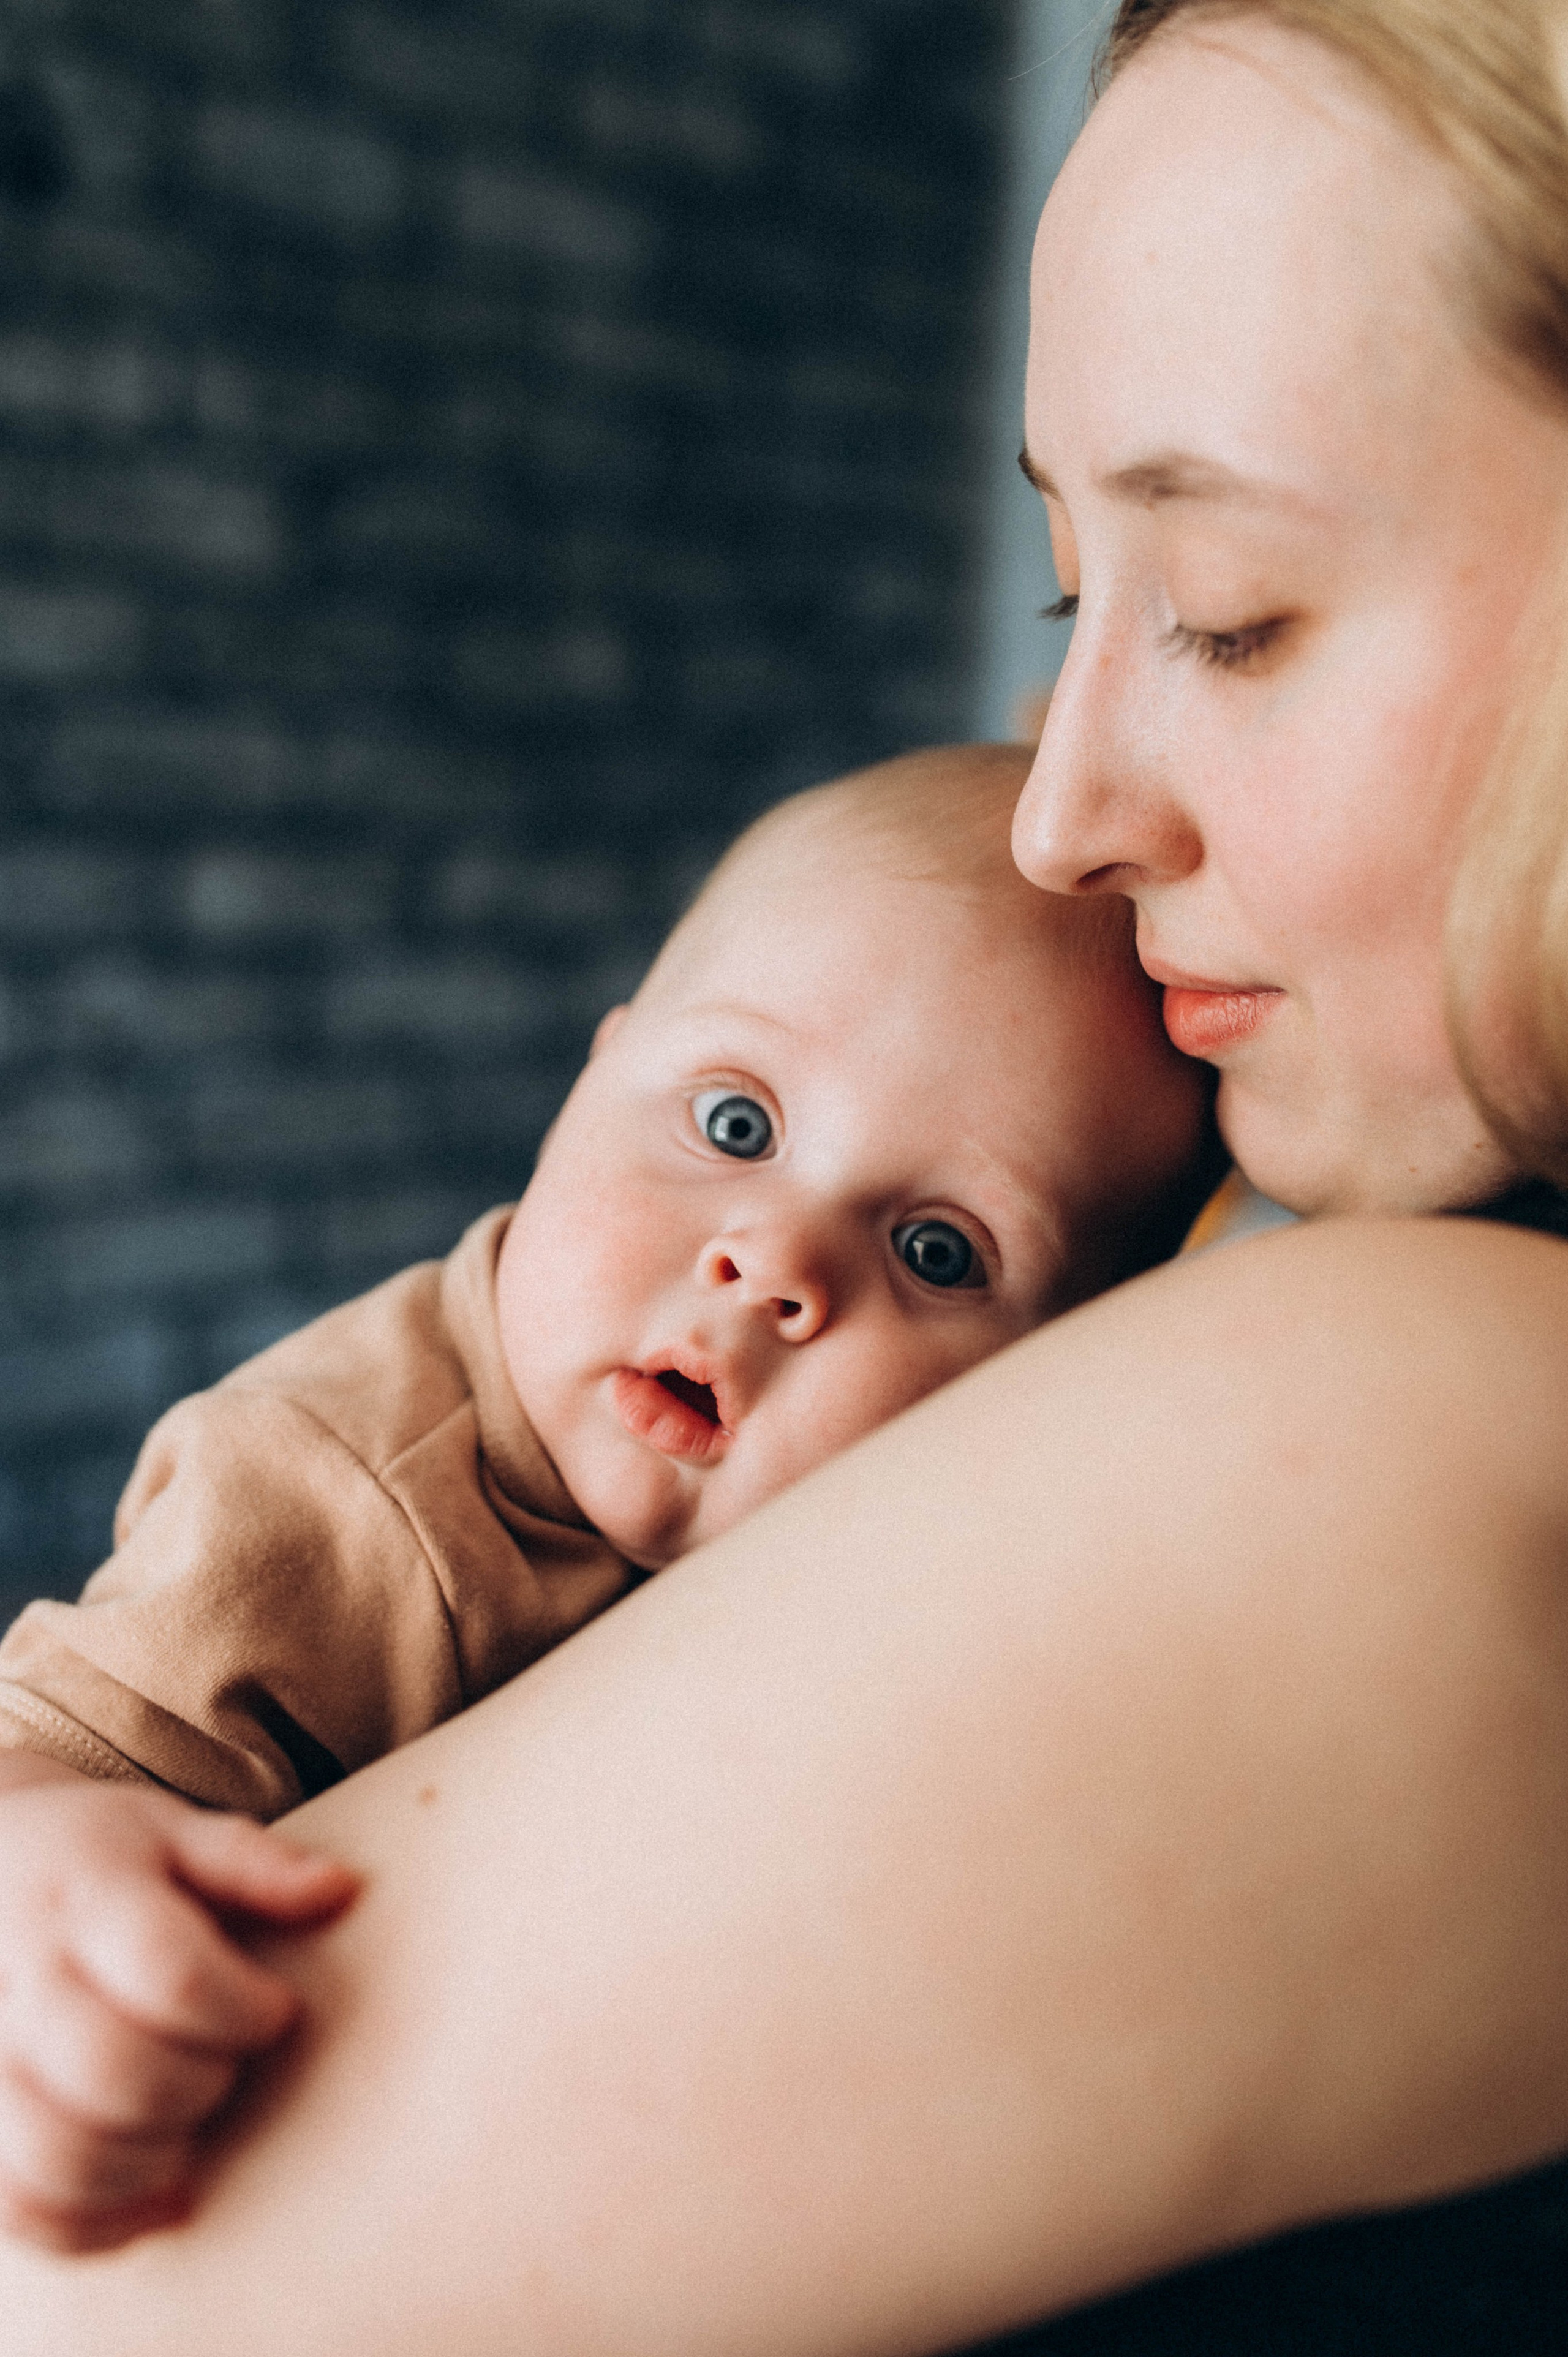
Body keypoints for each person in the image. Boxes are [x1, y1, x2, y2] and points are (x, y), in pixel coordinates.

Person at [6, 2, 1568, 2350]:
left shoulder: (1420, 1409)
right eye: (1073, 601)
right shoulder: (352, 1471)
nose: (1068, 814)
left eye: (1230, 609)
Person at [0, 744, 1213, 2255]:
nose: (770, 1263)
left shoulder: (899, 1548)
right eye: (733, 1126)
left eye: (936, 1251)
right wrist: (56, 1900)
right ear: (596, 1072)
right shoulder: (342, 1491)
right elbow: (39, 1758)